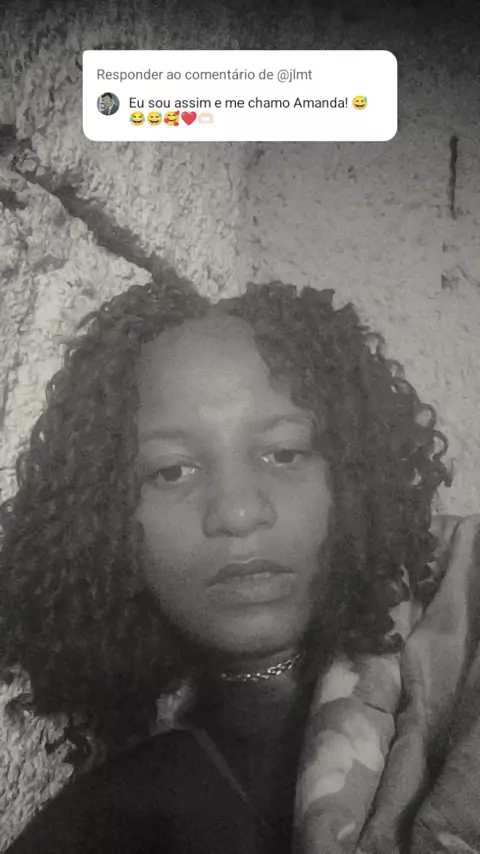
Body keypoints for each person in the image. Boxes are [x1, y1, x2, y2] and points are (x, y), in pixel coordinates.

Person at [0, 276, 479, 854]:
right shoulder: (108, 826)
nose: (238, 512)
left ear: (355, 475)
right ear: (104, 514)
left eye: (284, 453)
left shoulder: (465, 640)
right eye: (172, 470)